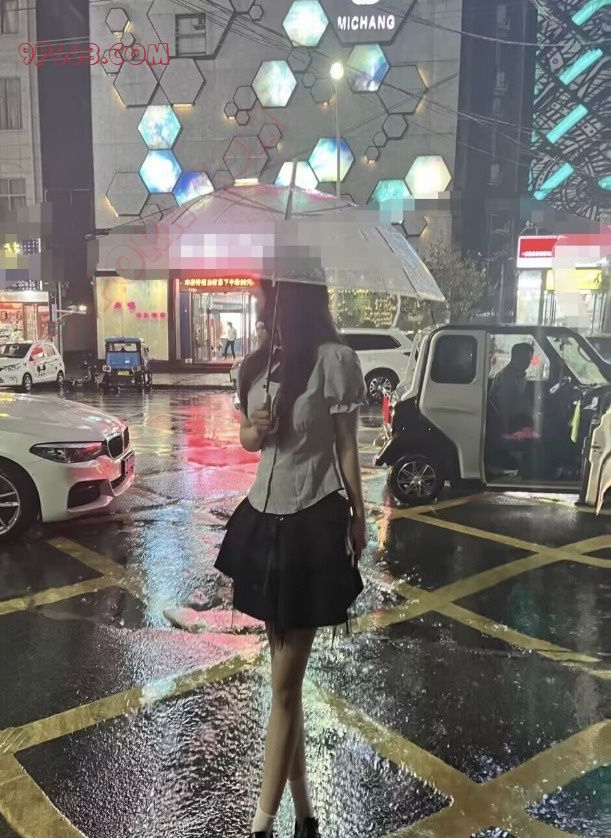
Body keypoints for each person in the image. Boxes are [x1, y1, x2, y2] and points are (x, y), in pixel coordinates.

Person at [215, 277, 367, 838]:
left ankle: (260, 827)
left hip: (311, 526)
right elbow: (248, 441)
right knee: (286, 686)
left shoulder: (334, 361)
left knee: (281, 688)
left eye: (267, 299)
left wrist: (359, 516)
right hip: (262, 523)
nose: (262, 311)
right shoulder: (257, 366)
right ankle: (305, 816)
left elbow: (347, 447)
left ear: (293, 299)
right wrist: (253, 429)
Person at [489, 342, 535, 434]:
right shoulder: (507, 377)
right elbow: (505, 408)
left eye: (530, 358)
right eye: (527, 358)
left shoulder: (519, 374)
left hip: (521, 420)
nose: (529, 362)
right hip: (513, 426)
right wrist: (509, 433)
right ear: (517, 357)